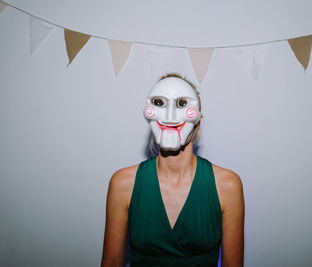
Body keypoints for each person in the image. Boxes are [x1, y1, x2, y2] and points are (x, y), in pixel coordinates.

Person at [101, 73, 244, 267]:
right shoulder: (123, 183)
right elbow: (111, 263)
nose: (170, 116)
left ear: (198, 119)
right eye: (160, 103)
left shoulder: (227, 185)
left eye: (182, 104)